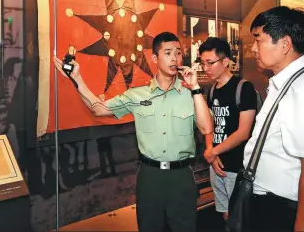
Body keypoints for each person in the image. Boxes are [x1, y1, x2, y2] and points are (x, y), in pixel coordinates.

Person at [54, 31, 213, 232]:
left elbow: (207, 128)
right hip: (150, 176)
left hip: (181, 177)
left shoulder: (190, 94)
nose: (175, 58)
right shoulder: (138, 95)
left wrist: (196, 88)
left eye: (178, 53)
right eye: (168, 52)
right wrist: (77, 79)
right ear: (155, 58)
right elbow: (98, 109)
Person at [243, 6, 304, 232]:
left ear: (285, 44)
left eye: (258, 40)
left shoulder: (299, 88)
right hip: (267, 201)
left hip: (280, 207)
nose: (253, 48)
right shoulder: (283, 83)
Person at [199, 37, 257, 222]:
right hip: (216, 163)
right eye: (202, 63)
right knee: (224, 214)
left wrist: (212, 152)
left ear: (225, 62)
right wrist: (212, 153)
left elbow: (243, 132)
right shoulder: (212, 90)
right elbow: (210, 126)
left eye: (210, 63)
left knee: (238, 217)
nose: (205, 68)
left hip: (237, 166)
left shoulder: (244, 87)